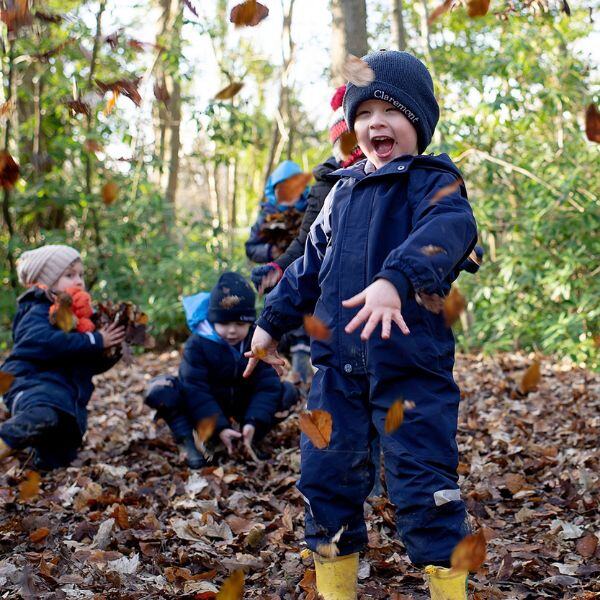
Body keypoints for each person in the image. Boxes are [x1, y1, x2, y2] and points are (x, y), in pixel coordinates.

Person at [244, 51, 478, 600]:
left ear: (417, 121)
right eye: (365, 111)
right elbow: (307, 268)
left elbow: (449, 230)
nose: (377, 121)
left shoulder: (433, 184)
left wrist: (396, 278)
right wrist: (270, 323)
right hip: (336, 373)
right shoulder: (340, 195)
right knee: (326, 482)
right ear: (352, 126)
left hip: (411, 374)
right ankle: (336, 590)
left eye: (392, 110)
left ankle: (449, 588)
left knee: (424, 487)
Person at [145, 272, 298, 469]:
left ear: (250, 322)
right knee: (162, 390)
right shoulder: (198, 345)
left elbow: (267, 387)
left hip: (243, 406)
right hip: (205, 410)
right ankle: (193, 444)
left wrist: (253, 421)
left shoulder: (258, 343)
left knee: (287, 392)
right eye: (224, 323)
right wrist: (220, 427)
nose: (232, 330)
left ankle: (250, 437)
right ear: (212, 319)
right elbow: (195, 390)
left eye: (240, 324)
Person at [0, 245, 125, 470]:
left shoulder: (76, 320)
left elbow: (84, 361)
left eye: (80, 274)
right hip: (29, 383)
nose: (79, 281)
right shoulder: (37, 310)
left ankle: (37, 453)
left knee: (58, 456)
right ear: (46, 283)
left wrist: (109, 349)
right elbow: (44, 341)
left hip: (66, 399)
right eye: (69, 275)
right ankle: (5, 440)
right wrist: (95, 341)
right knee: (42, 415)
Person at [250, 85, 365, 294]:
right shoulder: (325, 188)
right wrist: (274, 260)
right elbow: (308, 241)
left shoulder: (394, 174)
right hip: (326, 290)